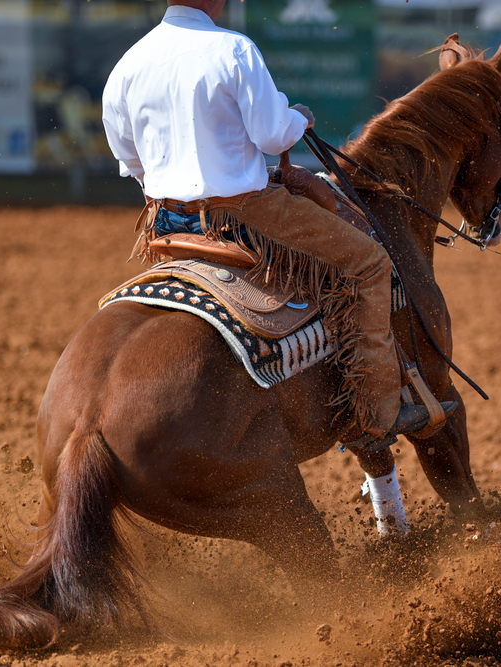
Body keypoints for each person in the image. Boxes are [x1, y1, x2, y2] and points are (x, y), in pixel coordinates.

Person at [101, 0, 437, 441]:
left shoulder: (128, 64)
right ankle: (377, 411)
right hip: (246, 216)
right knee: (370, 261)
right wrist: (297, 119)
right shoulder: (233, 50)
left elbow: (129, 157)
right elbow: (272, 134)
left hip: (163, 222)